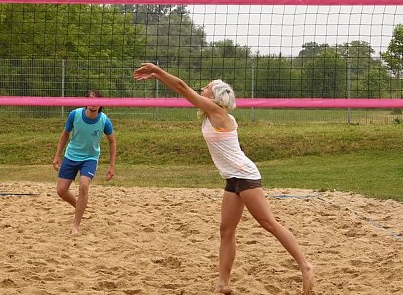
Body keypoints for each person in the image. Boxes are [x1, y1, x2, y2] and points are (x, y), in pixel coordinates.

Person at [133, 63, 313, 295]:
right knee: (226, 231)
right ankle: (223, 283)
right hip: (232, 179)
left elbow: (182, 87)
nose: (202, 89)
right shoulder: (212, 114)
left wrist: (157, 71)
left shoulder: (218, 112)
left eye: (206, 88)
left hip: (245, 176)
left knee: (268, 223)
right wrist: (159, 76)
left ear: (215, 96)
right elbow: (183, 90)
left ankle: (305, 266)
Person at [52, 90, 116, 234]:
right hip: (71, 155)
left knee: (83, 186)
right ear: (85, 101)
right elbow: (65, 134)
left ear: (101, 105)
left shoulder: (104, 120)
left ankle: (75, 225)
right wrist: (57, 155)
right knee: (61, 191)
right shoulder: (74, 115)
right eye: (91, 100)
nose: (93, 105)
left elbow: (112, 142)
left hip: (90, 158)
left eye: (96, 102)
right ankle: (80, 205)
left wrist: (112, 166)